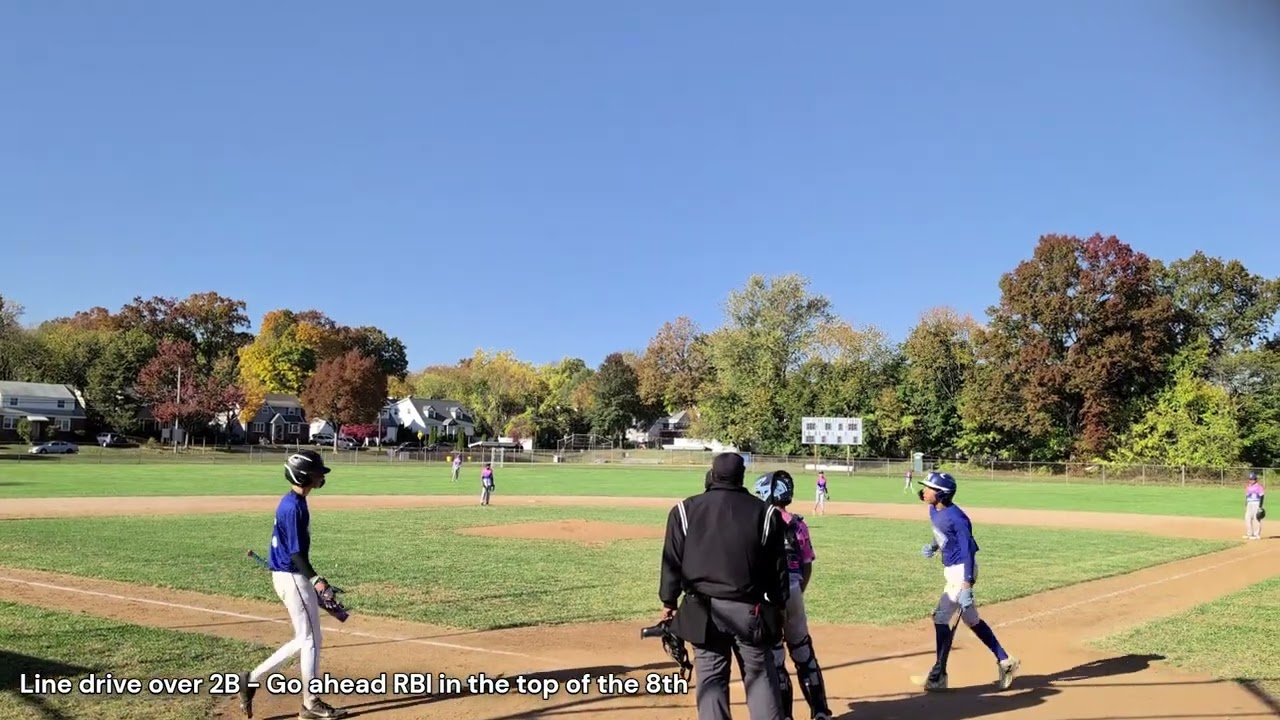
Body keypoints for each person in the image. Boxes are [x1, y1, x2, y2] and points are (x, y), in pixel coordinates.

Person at [658, 452, 791, 720]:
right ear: (742, 477)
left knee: (711, 680)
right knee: (760, 678)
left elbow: (671, 561)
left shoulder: (684, 510)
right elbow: (778, 569)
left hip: (701, 611)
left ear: (712, 474)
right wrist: (779, 606)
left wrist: (668, 602)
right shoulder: (765, 513)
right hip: (750, 611)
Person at [239, 450, 348, 719]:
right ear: (303, 476)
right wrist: (316, 581)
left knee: (307, 638)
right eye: (316, 473)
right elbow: (296, 554)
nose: (320, 476)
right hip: (292, 576)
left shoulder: (293, 501)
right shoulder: (294, 507)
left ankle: (252, 679)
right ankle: (310, 704)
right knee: (310, 639)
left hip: (290, 576)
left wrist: (313, 580)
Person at [915, 471, 1019, 693]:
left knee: (941, 618)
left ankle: (938, 675)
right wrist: (934, 546)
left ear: (942, 494)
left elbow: (968, 551)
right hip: (951, 570)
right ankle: (1005, 660)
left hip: (962, 571)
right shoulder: (934, 509)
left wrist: (967, 584)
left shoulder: (958, 518)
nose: (924, 491)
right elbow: (943, 533)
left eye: (929, 488)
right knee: (972, 620)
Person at [753, 470, 833, 720]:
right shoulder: (798, 523)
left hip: (769, 595)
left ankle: (785, 715)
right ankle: (820, 711)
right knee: (803, 651)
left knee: (775, 656)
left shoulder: (759, 522)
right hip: (795, 589)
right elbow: (807, 563)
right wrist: (798, 590)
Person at [1245, 472, 1265, 540]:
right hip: (1249, 503)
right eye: (1250, 479)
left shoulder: (1259, 487)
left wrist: (1260, 506)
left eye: (1253, 479)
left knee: (1257, 518)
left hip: (1256, 503)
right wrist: (1246, 504)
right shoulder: (1248, 486)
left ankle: (1257, 534)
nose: (1251, 480)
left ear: (1256, 479)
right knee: (1247, 518)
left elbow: (1262, 496)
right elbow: (1247, 496)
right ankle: (1249, 533)